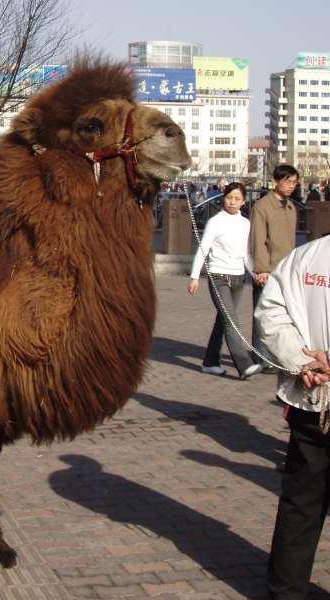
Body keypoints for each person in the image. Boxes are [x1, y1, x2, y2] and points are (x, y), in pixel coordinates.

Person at [256, 234, 330, 599]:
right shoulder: (306, 257)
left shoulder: (305, 256)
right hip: (314, 399)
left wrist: (302, 359)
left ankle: (285, 591)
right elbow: (271, 311)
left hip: (311, 395)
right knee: (302, 501)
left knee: (301, 502)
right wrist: (302, 358)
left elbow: (271, 312)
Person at [188, 182, 262, 380]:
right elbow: (203, 249)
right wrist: (194, 276)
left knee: (223, 320)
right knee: (231, 321)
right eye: (229, 198)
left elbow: (246, 254)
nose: (232, 202)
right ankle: (244, 365)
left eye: (237, 199)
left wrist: (255, 274)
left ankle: (210, 362)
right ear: (224, 197)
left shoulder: (245, 223)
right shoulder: (215, 221)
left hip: (239, 278)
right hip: (218, 276)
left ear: (244, 202)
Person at [250, 164, 300, 372]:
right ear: (276, 181)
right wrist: (261, 268)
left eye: (294, 183)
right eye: (287, 181)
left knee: (285, 315)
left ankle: (279, 354)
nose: (291, 186)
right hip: (268, 269)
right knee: (264, 314)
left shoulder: (291, 207)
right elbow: (258, 240)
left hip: (287, 270)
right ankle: (261, 356)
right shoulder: (262, 206)